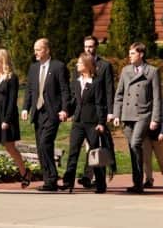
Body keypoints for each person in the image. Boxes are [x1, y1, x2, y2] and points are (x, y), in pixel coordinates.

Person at [113, 42, 162, 194]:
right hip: (127, 115)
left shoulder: (152, 71)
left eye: (132, 53)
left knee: (135, 144)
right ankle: (137, 183)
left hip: (143, 114)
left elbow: (157, 98)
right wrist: (116, 114)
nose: (130, 56)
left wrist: (155, 119)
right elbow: (119, 94)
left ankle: (140, 182)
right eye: (129, 53)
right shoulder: (125, 70)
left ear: (141, 54)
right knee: (132, 148)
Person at [22, 38, 70, 192]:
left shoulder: (58, 67)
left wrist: (64, 109)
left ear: (47, 50)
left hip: (52, 112)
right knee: (40, 146)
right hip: (38, 112)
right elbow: (29, 90)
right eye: (35, 49)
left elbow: (64, 90)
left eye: (38, 49)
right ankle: (48, 180)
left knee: (45, 143)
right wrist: (25, 108)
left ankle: (52, 178)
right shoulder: (33, 68)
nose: (35, 52)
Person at [62, 53, 108, 194]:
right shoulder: (76, 81)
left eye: (79, 63)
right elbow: (74, 101)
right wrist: (65, 111)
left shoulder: (97, 82)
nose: (77, 65)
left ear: (87, 65)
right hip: (78, 122)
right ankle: (68, 182)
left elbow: (100, 104)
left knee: (94, 153)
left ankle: (100, 183)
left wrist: (101, 122)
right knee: (73, 151)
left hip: (92, 123)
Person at [0, 49, 30, 187]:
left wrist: (7, 120)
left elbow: (12, 100)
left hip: (6, 115)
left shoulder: (12, 78)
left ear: (4, 62)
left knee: (9, 147)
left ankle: (24, 173)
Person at [77, 36, 114, 189]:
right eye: (86, 46)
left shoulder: (104, 66)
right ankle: (89, 176)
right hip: (84, 113)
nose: (89, 49)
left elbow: (109, 90)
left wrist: (110, 112)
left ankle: (96, 178)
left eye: (91, 46)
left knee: (97, 145)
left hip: (100, 111)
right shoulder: (80, 65)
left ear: (96, 47)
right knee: (90, 146)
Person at [142, 92, 163, 188]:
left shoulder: (159, 99)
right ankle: (149, 180)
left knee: (160, 157)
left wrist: (162, 132)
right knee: (146, 158)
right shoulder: (142, 98)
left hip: (157, 134)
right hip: (145, 133)